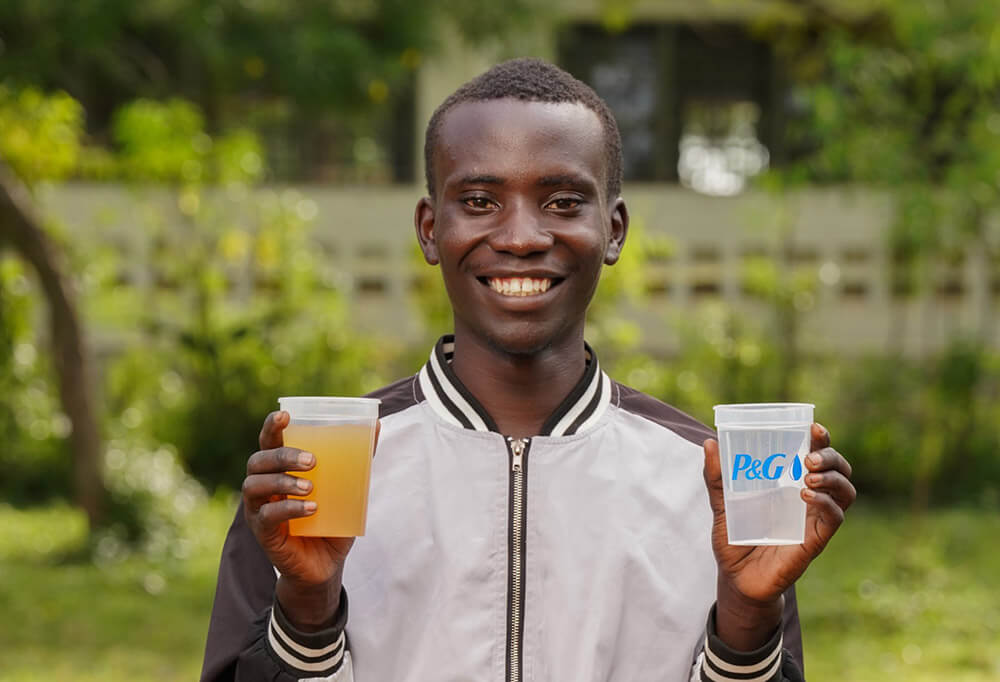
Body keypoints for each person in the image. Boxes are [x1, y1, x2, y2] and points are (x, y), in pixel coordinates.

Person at [201, 58, 855, 682]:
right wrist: (307, 610)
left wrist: (744, 620)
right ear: (431, 229)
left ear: (615, 228)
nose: (520, 236)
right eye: (481, 201)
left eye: (564, 202)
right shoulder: (314, 481)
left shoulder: (711, 487)